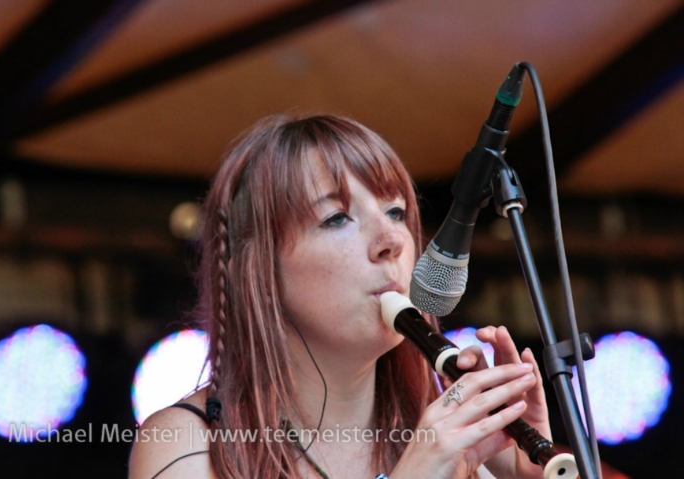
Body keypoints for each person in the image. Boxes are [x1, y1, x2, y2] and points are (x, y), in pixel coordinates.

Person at [129, 114, 551, 479]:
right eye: (336, 218)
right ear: (258, 271)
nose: (391, 240)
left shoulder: (456, 444)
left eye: (396, 212)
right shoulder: (184, 444)